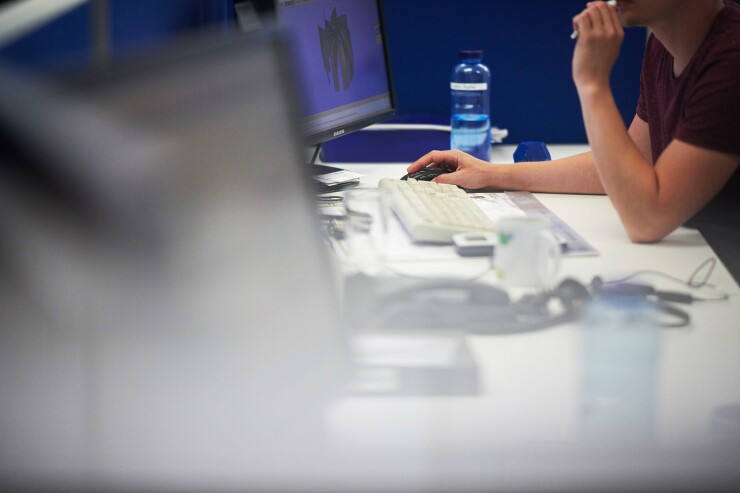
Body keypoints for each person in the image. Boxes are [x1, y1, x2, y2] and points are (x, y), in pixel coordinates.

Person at [406, 0, 740, 281]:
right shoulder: (663, 48)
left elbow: (647, 219)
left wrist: (592, 81)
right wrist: (490, 174)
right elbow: (627, 166)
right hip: (702, 269)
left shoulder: (730, 59)